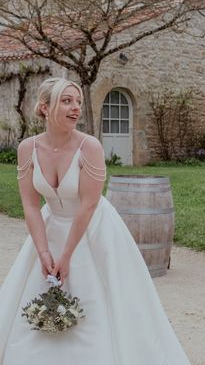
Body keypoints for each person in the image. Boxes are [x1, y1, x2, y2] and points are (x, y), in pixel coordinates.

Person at [0, 78, 190, 364]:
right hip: (49, 229)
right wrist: (43, 252)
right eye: (66, 101)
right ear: (44, 107)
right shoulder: (28, 148)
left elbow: (88, 205)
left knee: (100, 301)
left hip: (92, 229)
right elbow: (30, 205)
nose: (75, 107)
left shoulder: (90, 147)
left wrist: (65, 256)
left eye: (77, 101)